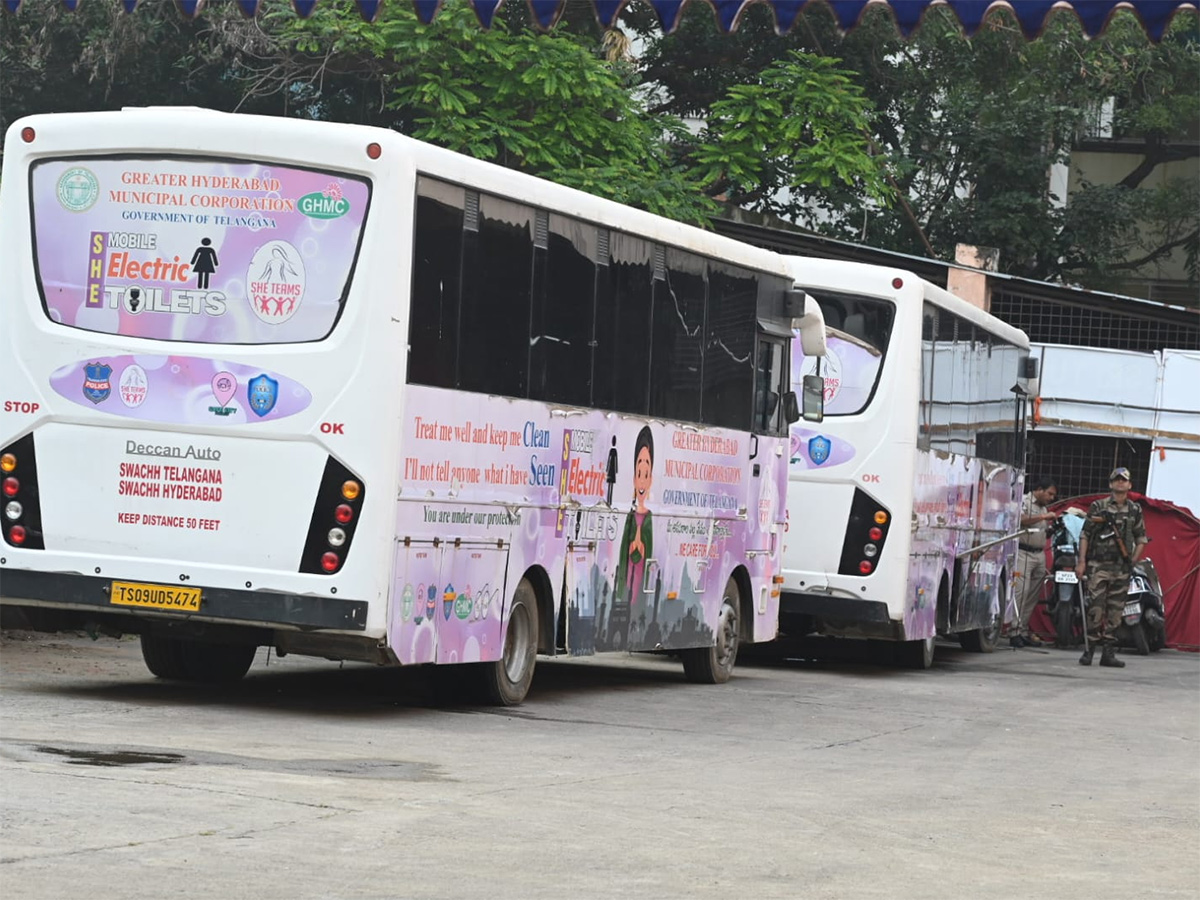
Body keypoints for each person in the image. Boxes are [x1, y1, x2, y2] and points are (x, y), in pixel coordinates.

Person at [1075, 467, 1148, 668]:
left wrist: (1132, 560)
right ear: (1110, 484)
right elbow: (1085, 535)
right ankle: (1089, 650)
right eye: (1116, 480)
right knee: (1095, 609)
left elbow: (1141, 538)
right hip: (1098, 566)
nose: (1120, 483)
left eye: (1123, 480)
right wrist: (1082, 562)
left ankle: (1108, 653)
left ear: (1129, 485)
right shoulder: (1098, 506)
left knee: (1116, 612)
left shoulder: (1135, 510)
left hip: (1121, 568)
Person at [1011, 477, 1058, 648]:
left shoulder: (1043, 507)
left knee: (1033, 594)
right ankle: (1014, 631)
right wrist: (1044, 516)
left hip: (1039, 553)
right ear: (1039, 489)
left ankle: (1022, 630)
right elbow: (1021, 519)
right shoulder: (1024, 501)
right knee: (1021, 591)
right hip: (1024, 551)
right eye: (1049, 493)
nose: (1051, 498)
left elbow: (1041, 530)